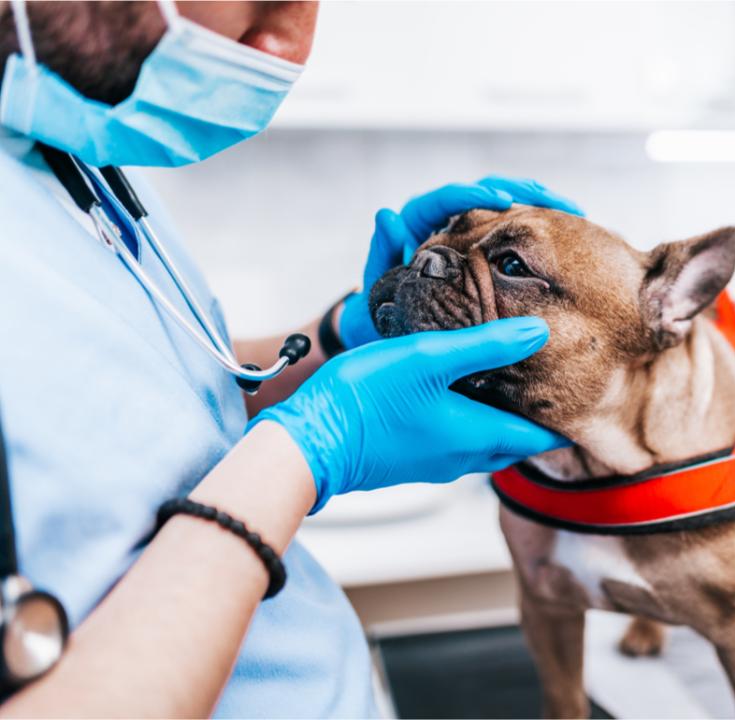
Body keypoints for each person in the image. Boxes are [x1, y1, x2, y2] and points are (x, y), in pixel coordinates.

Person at [0, 1, 579, 716]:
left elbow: (155, 395)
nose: (288, 49)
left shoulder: (74, 146)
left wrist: (341, 334)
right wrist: (310, 448)